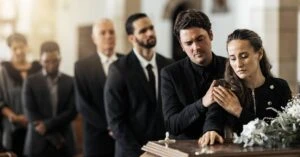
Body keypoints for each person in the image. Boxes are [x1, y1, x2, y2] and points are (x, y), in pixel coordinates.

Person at [104, 13, 173, 157]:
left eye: (151, 28)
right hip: (131, 152)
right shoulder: (118, 69)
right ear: (131, 38)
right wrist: (140, 153)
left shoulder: (168, 65)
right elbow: (116, 121)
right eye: (143, 31)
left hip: (164, 150)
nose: (150, 33)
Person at [161, 9, 226, 145]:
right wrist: (203, 102)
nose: (195, 47)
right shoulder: (170, 74)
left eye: (200, 39)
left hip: (222, 145)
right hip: (183, 149)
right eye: (188, 43)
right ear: (181, 46)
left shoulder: (229, 67)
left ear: (211, 35)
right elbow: (172, 125)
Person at [211, 29, 292, 135]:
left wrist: (238, 111)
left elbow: (284, 132)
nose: (238, 64)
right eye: (233, 58)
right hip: (234, 151)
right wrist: (210, 130)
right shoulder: (226, 89)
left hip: (273, 151)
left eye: (244, 56)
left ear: (259, 54)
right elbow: (213, 119)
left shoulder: (280, 87)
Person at [74, 18, 122, 157]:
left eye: (111, 32)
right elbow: (82, 104)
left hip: (125, 136)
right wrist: (110, 126)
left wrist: (120, 127)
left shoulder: (127, 62)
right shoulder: (82, 66)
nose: (108, 36)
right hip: (96, 137)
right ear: (94, 38)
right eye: (103, 33)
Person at [22, 41, 77, 157]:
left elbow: (72, 111)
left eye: (54, 61)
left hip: (64, 141)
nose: (51, 65)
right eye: (47, 61)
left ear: (60, 59)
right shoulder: (30, 82)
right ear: (40, 60)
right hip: (37, 142)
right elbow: (29, 111)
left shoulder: (70, 81)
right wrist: (52, 135)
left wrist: (47, 125)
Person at [0, 33, 41, 156]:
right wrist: (15, 117)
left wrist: (33, 118)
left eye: (21, 47)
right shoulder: (3, 72)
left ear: (27, 47)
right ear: (10, 49)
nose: (19, 51)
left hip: (37, 126)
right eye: (14, 48)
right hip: (13, 127)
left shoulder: (38, 69)